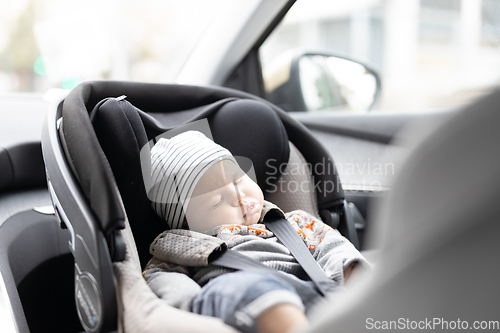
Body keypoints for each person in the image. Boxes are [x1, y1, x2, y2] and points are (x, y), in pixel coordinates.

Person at [143, 131, 369, 333]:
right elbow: (162, 279)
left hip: (313, 288)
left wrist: (349, 268)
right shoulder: (181, 247)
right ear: (185, 224)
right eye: (217, 200)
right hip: (236, 292)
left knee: (357, 279)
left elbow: (330, 244)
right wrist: (190, 307)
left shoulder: (294, 221)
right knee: (252, 289)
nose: (239, 197)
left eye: (239, 179)